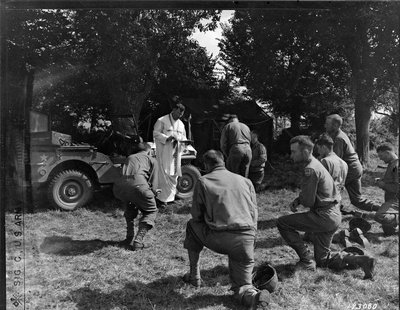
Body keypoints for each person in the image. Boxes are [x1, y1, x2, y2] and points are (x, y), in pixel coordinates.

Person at [276, 136, 376, 279]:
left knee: (282, 222)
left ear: (305, 151)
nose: (291, 155)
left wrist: (302, 199)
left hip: (323, 216)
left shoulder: (310, 169)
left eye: (294, 152)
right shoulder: (317, 164)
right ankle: (363, 260)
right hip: (333, 215)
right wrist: (299, 199)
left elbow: (309, 202)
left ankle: (306, 260)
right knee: (323, 259)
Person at [182, 150, 269, 309]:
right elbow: (254, 211)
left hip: (222, 238)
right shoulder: (245, 181)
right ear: (224, 162)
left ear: (206, 165)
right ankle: (253, 296)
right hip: (247, 237)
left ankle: (195, 276)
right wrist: (252, 237)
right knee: (243, 285)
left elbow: (196, 216)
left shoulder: (203, 181)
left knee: (191, 226)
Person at [325, 114, 377, 211]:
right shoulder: (339, 135)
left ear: (335, 125)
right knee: (357, 200)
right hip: (354, 168)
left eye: (327, 124)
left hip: (351, 170)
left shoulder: (338, 139)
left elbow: (335, 161)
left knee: (330, 189)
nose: (325, 126)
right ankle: (384, 209)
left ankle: (333, 212)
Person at [113, 142, 160, 250]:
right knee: (151, 211)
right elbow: (154, 183)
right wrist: (154, 193)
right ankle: (138, 241)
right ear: (149, 151)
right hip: (139, 185)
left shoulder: (130, 157)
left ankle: (129, 236)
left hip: (120, 187)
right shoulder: (152, 160)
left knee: (130, 207)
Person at [352, 143, 399, 235]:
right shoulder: (392, 164)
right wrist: (382, 181)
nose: (380, 159)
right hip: (390, 199)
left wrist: (383, 185)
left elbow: (398, 187)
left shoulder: (396, 166)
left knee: (380, 216)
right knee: (389, 232)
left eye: (381, 155)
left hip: (396, 200)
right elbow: (393, 181)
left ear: (387, 152)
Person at [153, 100, 187, 208]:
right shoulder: (162, 120)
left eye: (181, 114)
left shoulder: (181, 124)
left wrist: (184, 142)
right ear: (173, 110)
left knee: (174, 175)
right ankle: (161, 200)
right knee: (164, 175)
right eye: (178, 113)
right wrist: (167, 138)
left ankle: (171, 198)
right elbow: (155, 133)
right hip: (164, 152)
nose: (179, 116)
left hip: (176, 153)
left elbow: (184, 137)